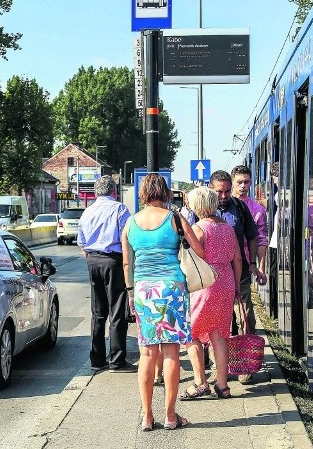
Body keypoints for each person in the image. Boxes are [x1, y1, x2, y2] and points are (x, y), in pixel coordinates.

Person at [122, 173, 204, 431]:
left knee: (147, 352)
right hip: (172, 289)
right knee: (171, 352)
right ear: (165, 193)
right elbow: (198, 252)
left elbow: (127, 263)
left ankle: (147, 417)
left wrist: (130, 292)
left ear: (143, 194)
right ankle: (170, 415)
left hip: (144, 290)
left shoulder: (130, 223)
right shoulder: (175, 218)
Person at [177, 187, 242, 401]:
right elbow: (238, 259)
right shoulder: (228, 228)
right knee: (220, 334)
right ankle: (223, 386)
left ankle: (200, 383)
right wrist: (237, 286)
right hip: (226, 280)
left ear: (197, 206)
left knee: (191, 333)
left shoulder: (199, 229)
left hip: (206, 282)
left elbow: (193, 255)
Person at [208, 169, 263, 385]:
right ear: (211, 189)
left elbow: (252, 236)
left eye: (227, 191)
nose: (223, 196)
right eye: (219, 192)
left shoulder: (239, 207)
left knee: (245, 317)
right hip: (213, 276)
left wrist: (251, 263)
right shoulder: (203, 208)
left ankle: (244, 364)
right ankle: (218, 367)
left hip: (238, 272)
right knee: (218, 322)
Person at [77, 176, 136, 374]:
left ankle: (97, 359)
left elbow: (82, 242)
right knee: (117, 310)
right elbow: (127, 237)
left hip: (92, 260)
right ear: (114, 191)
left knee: (98, 312)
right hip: (113, 260)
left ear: (96, 193)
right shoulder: (119, 209)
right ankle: (117, 360)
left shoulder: (87, 212)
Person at [230, 165, 268, 273]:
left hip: (245, 264)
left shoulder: (258, 210)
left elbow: (261, 240)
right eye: (239, 182)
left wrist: (261, 268)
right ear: (232, 182)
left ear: (251, 183)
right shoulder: (223, 205)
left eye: (246, 182)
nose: (243, 186)